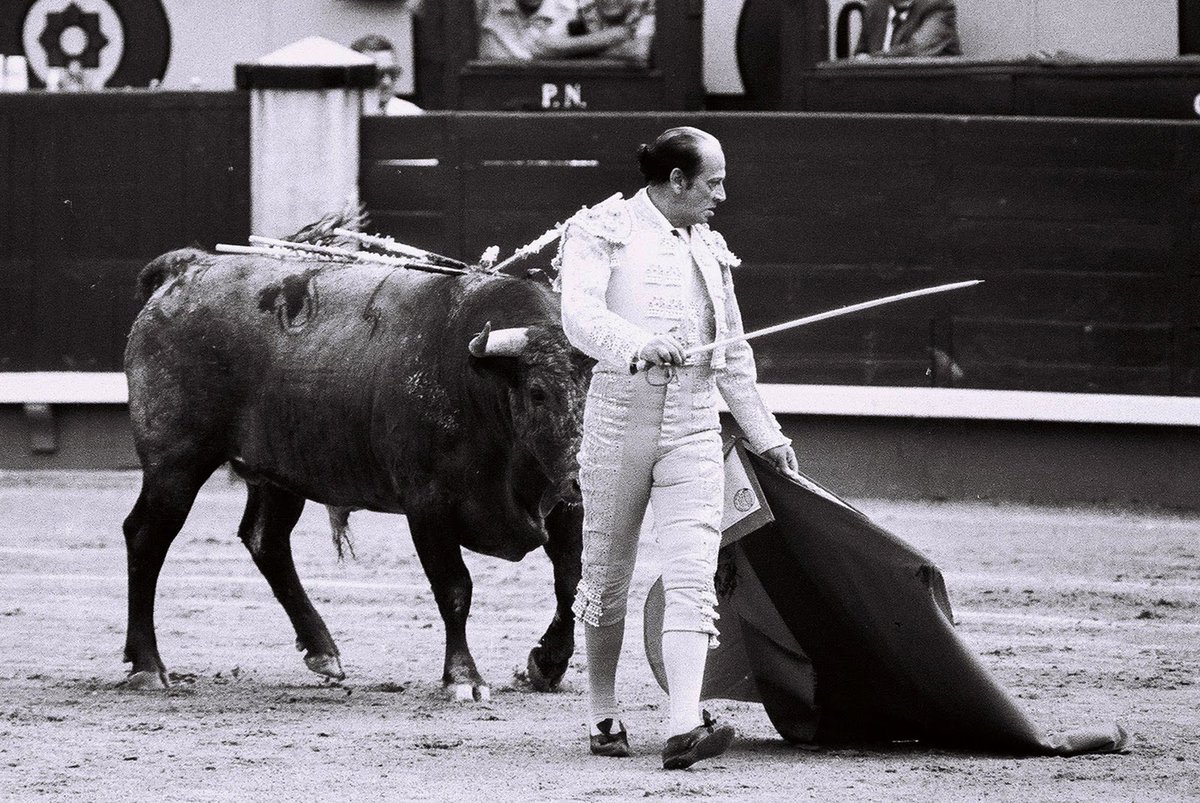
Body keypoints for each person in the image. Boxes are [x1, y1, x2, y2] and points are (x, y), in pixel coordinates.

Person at [556, 127, 800, 770]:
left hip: (693, 424)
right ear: (676, 182)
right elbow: (577, 316)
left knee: (693, 577)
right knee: (605, 578)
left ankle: (683, 724)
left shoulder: (710, 248)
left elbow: (732, 355)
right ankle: (602, 713)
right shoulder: (601, 228)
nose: (722, 194)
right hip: (619, 421)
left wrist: (766, 435)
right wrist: (637, 343)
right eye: (712, 182)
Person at [477, 0, 647, 60]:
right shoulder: (488, 6)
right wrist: (613, 36)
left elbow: (640, 51)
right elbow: (541, 46)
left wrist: (577, 53)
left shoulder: (568, 8)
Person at [853, 0, 961, 58]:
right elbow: (860, 54)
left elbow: (915, 52)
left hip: (929, 91)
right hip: (878, 93)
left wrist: (871, 61)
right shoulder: (874, 7)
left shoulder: (938, 6)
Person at [350, 34, 423, 116]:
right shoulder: (340, 116)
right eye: (377, 74)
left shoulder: (410, 114)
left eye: (392, 73)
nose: (387, 82)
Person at [570, 0, 655, 64]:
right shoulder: (585, 11)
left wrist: (576, 51)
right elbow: (556, 46)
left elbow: (640, 53)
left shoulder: (647, 7)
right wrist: (612, 36)